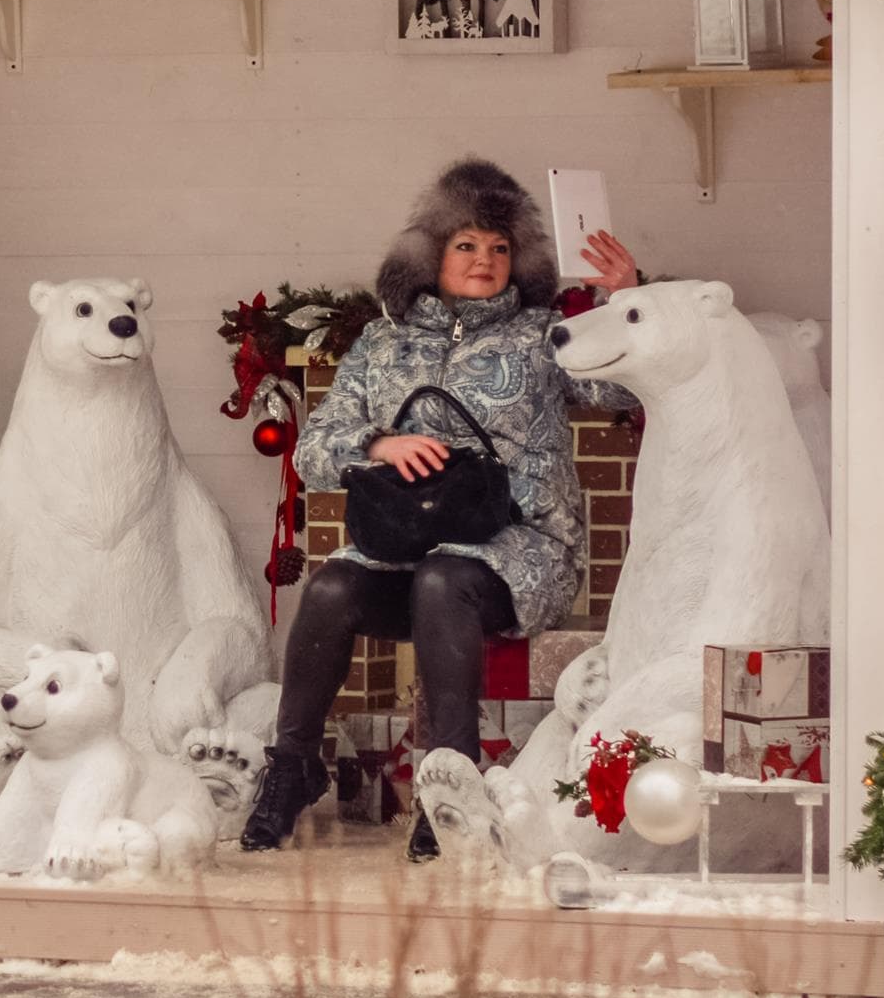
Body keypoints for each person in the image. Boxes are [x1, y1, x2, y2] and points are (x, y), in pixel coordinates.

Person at [242, 158, 639, 859]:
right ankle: (293, 766)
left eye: (499, 248)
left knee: (443, 580)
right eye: (466, 245)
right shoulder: (380, 342)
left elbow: (625, 393)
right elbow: (314, 454)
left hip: (516, 551)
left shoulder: (543, 336)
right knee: (332, 585)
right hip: (399, 546)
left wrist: (627, 302)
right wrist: (381, 443)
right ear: (433, 254)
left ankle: (449, 785)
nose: (484, 260)